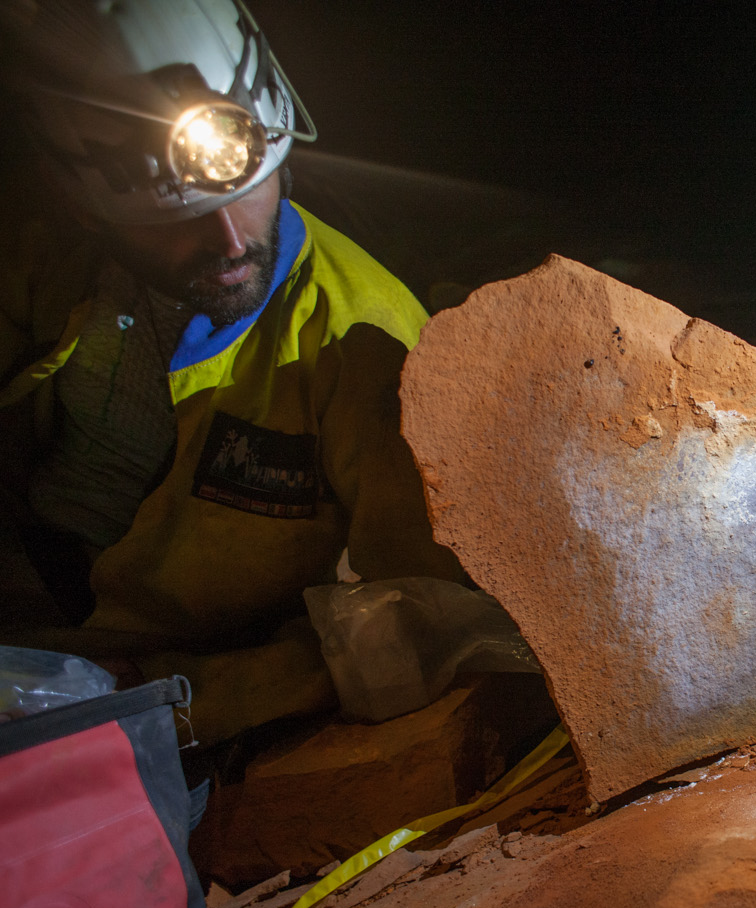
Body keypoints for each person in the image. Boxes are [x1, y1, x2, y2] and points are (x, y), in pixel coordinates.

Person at [0, 0, 464, 745]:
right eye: (173, 218)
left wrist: (177, 703)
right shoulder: (41, 247)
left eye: (248, 185)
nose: (228, 240)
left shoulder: (358, 338)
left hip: (177, 689)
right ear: (81, 205)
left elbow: (420, 608)